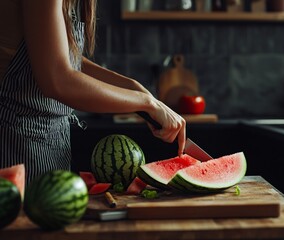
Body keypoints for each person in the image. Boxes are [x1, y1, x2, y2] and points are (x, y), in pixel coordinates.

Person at [0, 0, 186, 184]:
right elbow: (58, 80)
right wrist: (145, 102)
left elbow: (67, 59)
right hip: (14, 144)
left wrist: (135, 88)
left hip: (50, 141)